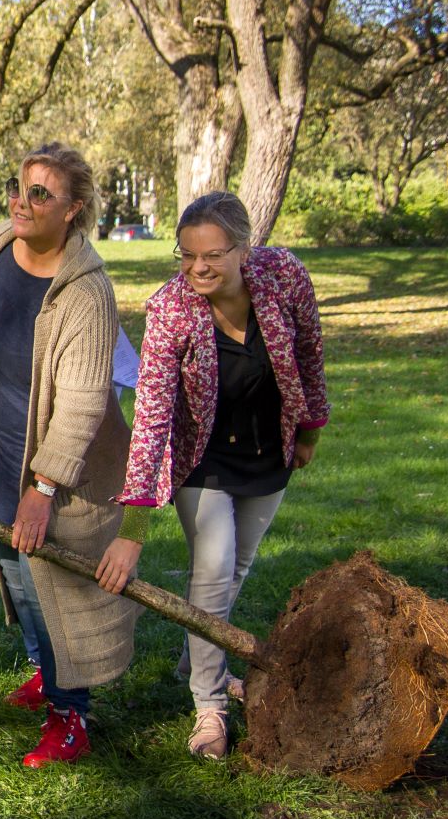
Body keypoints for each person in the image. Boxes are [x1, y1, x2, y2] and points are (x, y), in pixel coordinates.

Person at [97, 191, 329, 760]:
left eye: (213, 255)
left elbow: (309, 350)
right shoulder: (171, 309)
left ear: (244, 251)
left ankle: (201, 654)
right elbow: (151, 416)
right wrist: (134, 528)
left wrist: (308, 429)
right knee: (215, 565)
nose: (198, 267)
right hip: (200, 456)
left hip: (266, 449)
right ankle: (209, 708)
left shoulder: (284, 278)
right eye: (186, 255)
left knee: (235, 571)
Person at [0, 142, 142, 767]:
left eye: (41, 193)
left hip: (58, 476)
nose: (23, 201)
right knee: (19, 575)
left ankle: (72, 717)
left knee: (59, 594)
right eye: (19, 187)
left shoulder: (86, 292)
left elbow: (83, 401)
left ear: (73, 209)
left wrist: (42, 487)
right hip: (1, 455)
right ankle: (46, 672)